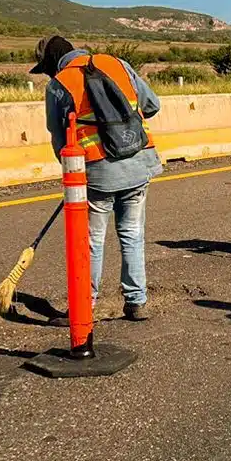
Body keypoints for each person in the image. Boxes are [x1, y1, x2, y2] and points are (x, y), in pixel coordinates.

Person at [32, 35, 163, 321]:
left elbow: (59, 138)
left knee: (91, 240)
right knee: (132, 233)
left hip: (98, 172)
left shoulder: (59, 84)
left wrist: (72, 178)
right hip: (139, 163)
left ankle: (85, 305)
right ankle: (136, 301)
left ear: (52, 62)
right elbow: (152, 105)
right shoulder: (117, 63)